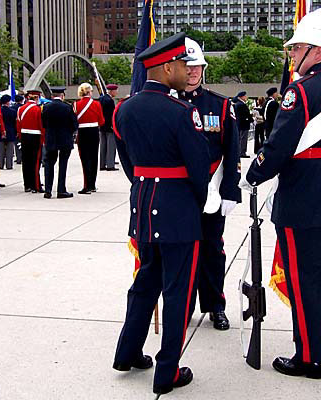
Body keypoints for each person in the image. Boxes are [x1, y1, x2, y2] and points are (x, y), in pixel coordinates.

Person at [239, 8, 321, 379]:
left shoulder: (301, 92)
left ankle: (310, 357)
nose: (291, 56)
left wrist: (253, 173)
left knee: (304, 278)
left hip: (305, 195)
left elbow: (278, 147)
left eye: (296, 49)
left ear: (315, 50)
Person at [112, 32, 210, 395]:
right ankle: (167, 370)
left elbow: (128, 163)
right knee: (178, 291)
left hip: (143, 204)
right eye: (183, 64)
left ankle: (128, 351)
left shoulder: (125, 109)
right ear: (167, 66)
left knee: (145, 282)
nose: (187, 70)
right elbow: (199, 169)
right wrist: (197, 201)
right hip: (177, 209)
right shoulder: (182, 112)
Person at [178, 37, 240, 331]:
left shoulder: (220, 104)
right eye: (188, 66)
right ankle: (183, 306)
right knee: (181, 253)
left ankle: (215, 306)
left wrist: (230, 190)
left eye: (197, 66)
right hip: (179, 194)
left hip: (212, 194)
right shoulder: (169, 102)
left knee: (213, 252)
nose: (193, 72)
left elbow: (232, 152)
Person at [42, 86, 78, 199]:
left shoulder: (46, 107)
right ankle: (61, 190)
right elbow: (74, 124)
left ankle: (48, 190)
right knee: (63, 165)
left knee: (49, 164)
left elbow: (43, 124)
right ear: (62, 96)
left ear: (52, 96)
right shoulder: (67, 107)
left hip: (51, 139)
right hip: (65, 139)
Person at [74, 83, 105, 194]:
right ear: (89, 91)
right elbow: (101, 121)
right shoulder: (96, 104)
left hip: (82, 132)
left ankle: (86, 185)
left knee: (85, 158)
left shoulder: (76, 104)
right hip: (94, 132)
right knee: (93, 158)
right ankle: (92, 184)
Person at [17, 89, 45, 193]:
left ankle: (27, 184)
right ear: (37, 98)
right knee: (36, 161)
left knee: (26, 161)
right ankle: (36, 185)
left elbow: (18, 124)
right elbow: (41, 125)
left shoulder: (20, 109)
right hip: (35, 136)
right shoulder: (38, 109)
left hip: (24, 135)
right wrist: (43, 138)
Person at [99, 83, 119, 171]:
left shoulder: (101, 99)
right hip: (109, 126)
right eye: (116, 90)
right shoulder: (110, 101)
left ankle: (102, 164)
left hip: (102, 126)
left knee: (103, 146)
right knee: (111, 146)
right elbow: (111, 115)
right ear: (112, 91)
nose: (117, 92)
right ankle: (110, 164)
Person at [0, 95, 17, 170]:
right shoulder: (12, 111)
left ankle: (1, 164)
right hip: (10, 131)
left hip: (1, 131)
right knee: (9, 150)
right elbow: (14, 122)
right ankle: (9, 165)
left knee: (1, 150)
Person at [233, 90, 253, 158]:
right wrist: (251, 119)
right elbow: (245, 115)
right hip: (244, 124)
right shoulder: (241, 104)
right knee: (243, 139)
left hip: (240, 124)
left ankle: (240, 152)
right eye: (245, 96)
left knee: (241, 138)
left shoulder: (237, 104)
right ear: (241, 97)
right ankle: (242, 152)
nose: (246, 97)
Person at [12, 94, 25, 165]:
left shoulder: (12, 108)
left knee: (17, 144)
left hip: (14, 127)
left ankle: (18, 158)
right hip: (23, 127)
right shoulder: (23, 107)